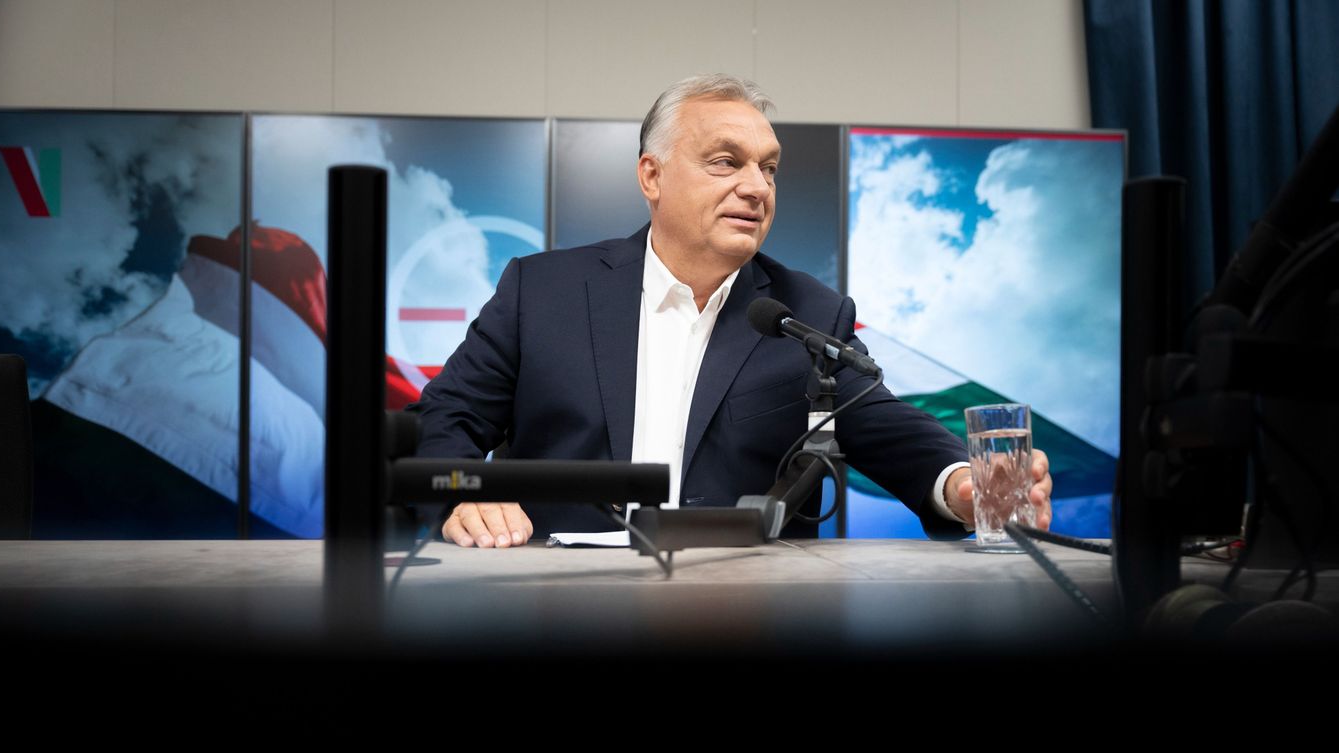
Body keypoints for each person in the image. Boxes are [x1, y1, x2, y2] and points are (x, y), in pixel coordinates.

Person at [413, 74, 1053, 548]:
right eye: (726, 163)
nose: (756, 187)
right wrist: (471, 492)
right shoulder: (543, 289)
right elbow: (450, 413)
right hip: (554, 599)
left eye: (768, 169)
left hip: (746, 609)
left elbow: (883, 425)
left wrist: (961, 484)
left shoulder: (805, 310)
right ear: (652, 176)